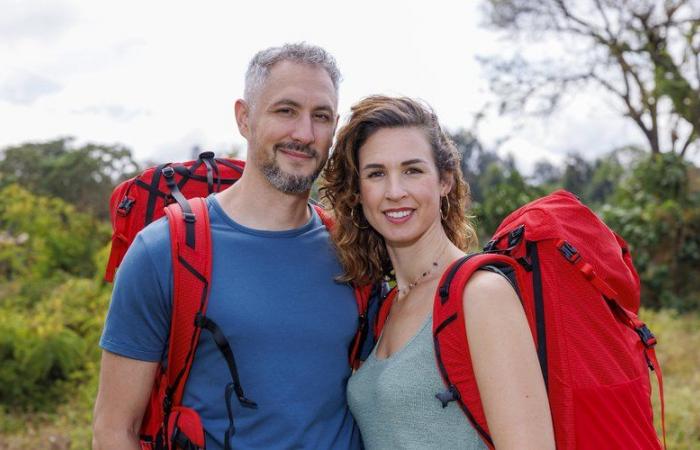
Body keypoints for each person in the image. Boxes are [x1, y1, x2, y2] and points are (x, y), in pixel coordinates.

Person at [93, 43, 362, 450]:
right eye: (285, 110)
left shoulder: (355, 249)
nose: (304, 133)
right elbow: (114, 430)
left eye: (320, 116)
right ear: (244, 117)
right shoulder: (163, 251)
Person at [320, 96, 554, 450]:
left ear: (444, 180)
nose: (395, 191)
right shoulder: (386, 305)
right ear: (358, 191)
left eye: (413, 170)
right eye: (376, 173)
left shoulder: (481, 294)